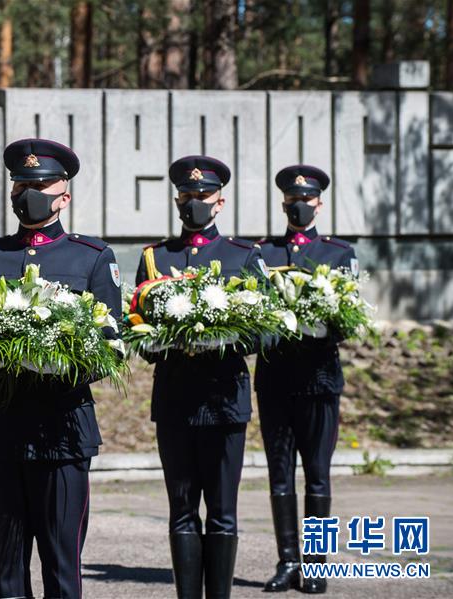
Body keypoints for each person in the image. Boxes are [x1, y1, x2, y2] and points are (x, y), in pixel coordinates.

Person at [0, 138, 122, 599]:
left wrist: (55, 362)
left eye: (41, 184)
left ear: (64, 195)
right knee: (7, 575)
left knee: (62, 570)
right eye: (21, 184)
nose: (29, 192)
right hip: (0, 431)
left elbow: (110, 346)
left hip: (62, 434)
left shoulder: (91, 257)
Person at [135, 155, 263, 599]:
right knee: (182, 509)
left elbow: (264, 331)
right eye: (186, 196)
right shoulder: (155, 258)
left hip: (225, 399)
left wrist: (223, 339)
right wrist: (158, 341)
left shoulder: (244, 256)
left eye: (202, 196)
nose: (194, 203)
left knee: (223, 511)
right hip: (175, 399)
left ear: (220, 202)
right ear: (176, 200)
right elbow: (137, 325)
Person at [255, 165, 357, 594]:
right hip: (276, 378)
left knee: (317, 474)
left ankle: (315, 565)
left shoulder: (338, 253)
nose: (299, 205)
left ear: (319, 202)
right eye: (292, 200)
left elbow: (348, 321)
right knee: (280, 475)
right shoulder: (262, 251)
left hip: (319, 379)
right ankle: (287, 562)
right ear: (283, 204)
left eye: (307, 199)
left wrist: (321, 325)